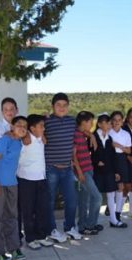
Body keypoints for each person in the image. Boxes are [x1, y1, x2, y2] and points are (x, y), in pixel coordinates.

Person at [0, 116, 28, 260]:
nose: (22, 127)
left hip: (12, 184)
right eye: (18, 125)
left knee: (12, 216)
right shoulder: (5, 140)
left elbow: (26, 137)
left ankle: (14, 248)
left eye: (25, 125)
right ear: (11, 126)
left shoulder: (18, 142)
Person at [44, 93, 82, 242]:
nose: (62, 108)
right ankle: (51, 229)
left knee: (72, 200)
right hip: (51, 168)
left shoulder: (72, 121)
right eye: (58, 105)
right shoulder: (46, 122)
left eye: (64, 105)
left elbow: (82, 130)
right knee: (50, 201)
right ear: (53, 106)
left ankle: (70, 227)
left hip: (67, 169)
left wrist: (90, 136)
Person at [0, 97, 23, 244]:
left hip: (15, 176)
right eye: (6, 110)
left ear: (17, 110)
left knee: (13, 211)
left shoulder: (22, 127)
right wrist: (10, 136)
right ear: (2, 112)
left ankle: (13, 238)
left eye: (12, 109)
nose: (9, 112)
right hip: (0, 177)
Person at [17, 114, 53, 250]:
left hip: (41, 179)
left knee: (41, 209)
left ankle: (41, 236)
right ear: (31, 128)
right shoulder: (25, 139)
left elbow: (43, 139)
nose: (43, 129)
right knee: (28, 211)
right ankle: (30, 238)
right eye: (41, 126)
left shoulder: (39, 139)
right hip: (26, 180)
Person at [92, 113, 127, 228]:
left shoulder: (109, 138)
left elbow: (113, 157)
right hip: (97, 171)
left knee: (111, 194)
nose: (109, 125)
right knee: (96, 197)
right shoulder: (93, 137)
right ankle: (93, 222)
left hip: (109, 170)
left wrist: (116, 171)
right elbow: (90, 153)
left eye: (109, 123)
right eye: (106, 123)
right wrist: (97, 161)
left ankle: (113, 220)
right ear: (99, 124)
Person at [73, 111, 103, 235]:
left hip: (88, 169)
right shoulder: (75, 135)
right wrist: (79, 173)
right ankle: (90, 225)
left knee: (84, 200)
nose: (92, 124)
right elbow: (73, 156)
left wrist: (91, 135)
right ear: (84, 122)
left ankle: (82, 226)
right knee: (97, 197)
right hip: (83, 172)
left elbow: (85, 132)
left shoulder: (81, 133)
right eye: (90, 122)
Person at [109, 111, 132, 223]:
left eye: (119, 120)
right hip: (111, 160)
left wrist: (118, 145)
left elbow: (128, 150)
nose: (117, 122)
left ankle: (118, 213)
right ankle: (112, 215)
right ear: (111, 122)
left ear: (122, 121)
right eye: (115, 120)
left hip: (122, 160)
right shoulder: (108, 133)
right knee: (112, 188)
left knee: (121, 188)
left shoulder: (126, 134)